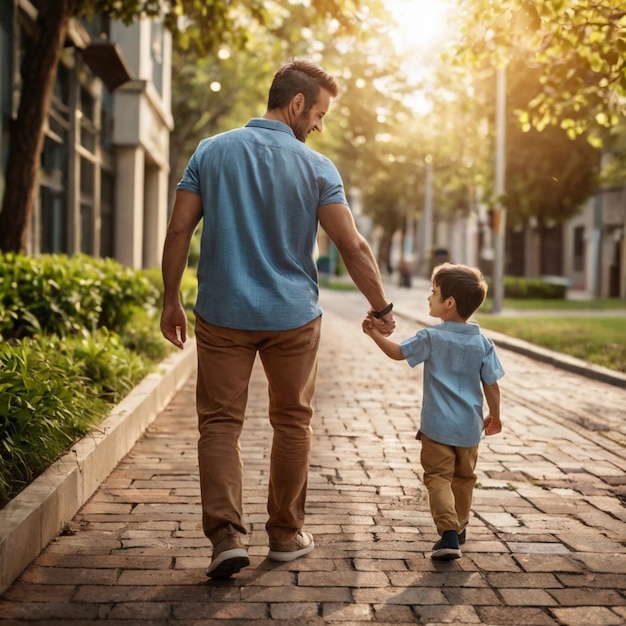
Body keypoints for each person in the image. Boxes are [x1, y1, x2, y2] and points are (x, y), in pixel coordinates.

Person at [160, 58, 396, 579]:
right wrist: (381, 307)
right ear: (295, 104)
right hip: (293, 317)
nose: (319, 125)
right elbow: (352, 245)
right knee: (293, 421)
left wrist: (170, 298)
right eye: (319, 114)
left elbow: (179, 232)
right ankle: (286, 535)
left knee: (220, 424)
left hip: (222, 313)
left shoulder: (211, 151)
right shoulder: (318, 168)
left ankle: (225, 538)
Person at [361, 263, 504, 560]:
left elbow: (398, 352)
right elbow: (491, 384)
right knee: (464, 478)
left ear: (448, 304)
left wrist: (374, 334)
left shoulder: (431, 337)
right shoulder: (483, 343)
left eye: (433, 292)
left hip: (437, 427)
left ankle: (449, 532)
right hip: (469, 429)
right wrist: (495, 415)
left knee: (438, 478)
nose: (429, 298)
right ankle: (460, 526)